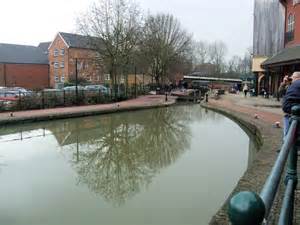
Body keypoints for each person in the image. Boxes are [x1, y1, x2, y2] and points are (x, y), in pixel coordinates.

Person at [282, 72, 300, 136]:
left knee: (288, 136)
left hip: (293, 113)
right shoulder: (290, 86)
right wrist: (284, 84)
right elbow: (280, 93)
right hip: (288, 113)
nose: (291, 79)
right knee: (288, 135)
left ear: (298, 78)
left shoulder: (295, 85)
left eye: (293, 77)